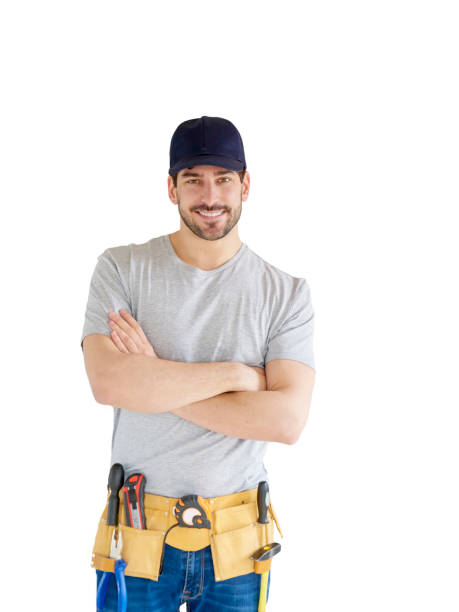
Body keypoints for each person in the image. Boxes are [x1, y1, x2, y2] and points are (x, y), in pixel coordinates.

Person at [81, 115, 316, 611]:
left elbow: (286, 421)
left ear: (245, 184)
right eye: (193, 180)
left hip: (237, 542)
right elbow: (107, 382)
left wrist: (153, 381)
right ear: (171, 188)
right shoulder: (122, 268)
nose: (210, 196)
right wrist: (239, 376)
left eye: (223, 179)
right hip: (138, 533)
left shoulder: (286, 294)